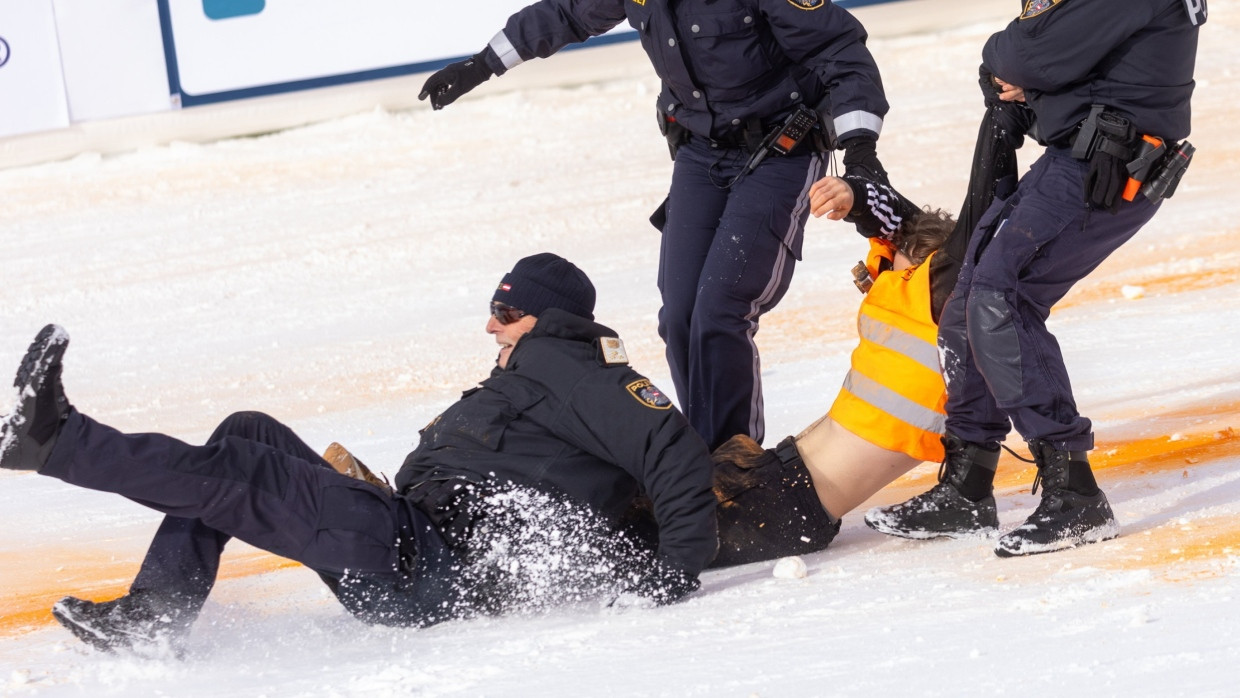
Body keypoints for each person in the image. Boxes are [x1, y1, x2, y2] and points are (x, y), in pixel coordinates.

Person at [0, 253, 718, 654]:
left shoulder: (573, 368)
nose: (490, 326)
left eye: (505, 313)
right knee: (248, 432)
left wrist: (674, 573)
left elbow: (672, 449)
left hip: (425, 561)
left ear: (545, 318)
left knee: (242, 473)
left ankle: (57, 439)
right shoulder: (529, 378)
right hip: (403, 539)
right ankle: (153, 619)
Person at [416, 0, 892, 451]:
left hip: (781, 147)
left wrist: (861, 148)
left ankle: (734, 460)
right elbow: (565, 12)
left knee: (720, 310)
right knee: (681, 315)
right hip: (702, 149)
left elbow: (838, 49)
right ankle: (705, 456)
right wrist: (483, 63)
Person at [865, 0, 1204, 557]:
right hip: (1075, 158)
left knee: (1001, 297)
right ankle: (967, 487)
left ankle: (1075, 493)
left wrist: (1030, 73)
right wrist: (1033, 77)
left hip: (1105, 170)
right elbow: (1024, 66)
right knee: (968, 303)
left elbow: (1027, 54)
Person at [703, 87, 1035, 567]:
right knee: (655, 498)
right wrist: (855, 192)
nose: (881, 264)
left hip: (786, 505)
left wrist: (1002, 118)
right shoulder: (913, 300)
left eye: (894, 258)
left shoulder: (943, 296)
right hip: (778, 477)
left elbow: (980, 209)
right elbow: (898, 221)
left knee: (652, 528)